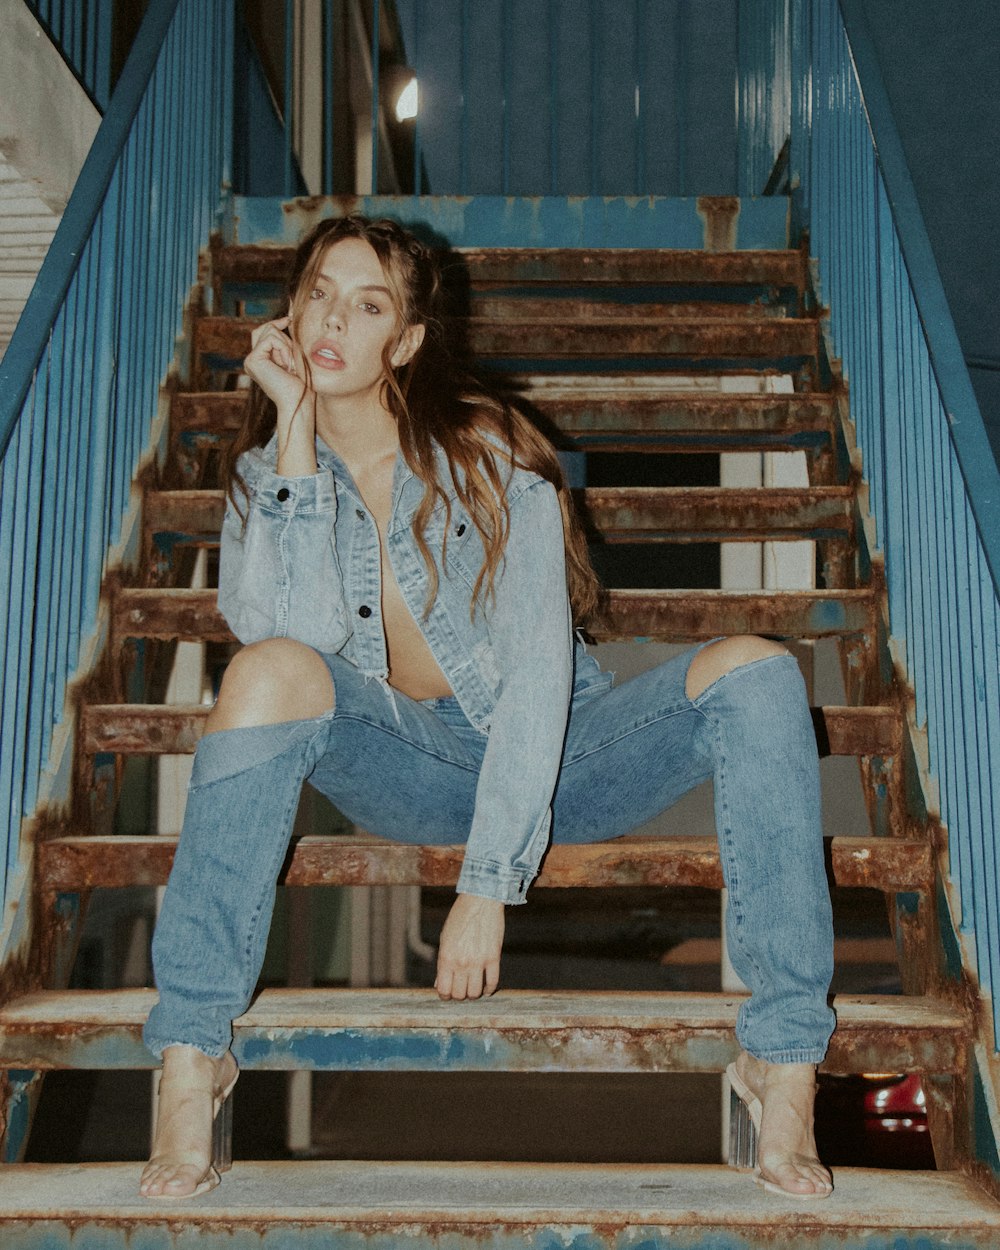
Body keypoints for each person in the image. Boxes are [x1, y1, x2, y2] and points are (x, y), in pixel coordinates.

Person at [139, 215, 835, 1201]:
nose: (333, 317)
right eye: (318, 292)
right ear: (288, 312)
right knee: (258, 674)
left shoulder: (483, 450)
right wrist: (291, 429)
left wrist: (485, 882)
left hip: (561, 758)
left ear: (408, 341)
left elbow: (539, 674)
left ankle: (783, 1058)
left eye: (367, 303)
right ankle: (192, 1052)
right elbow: (286, 645)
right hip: (406, 763)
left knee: (760, 670)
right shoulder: (266, 483)